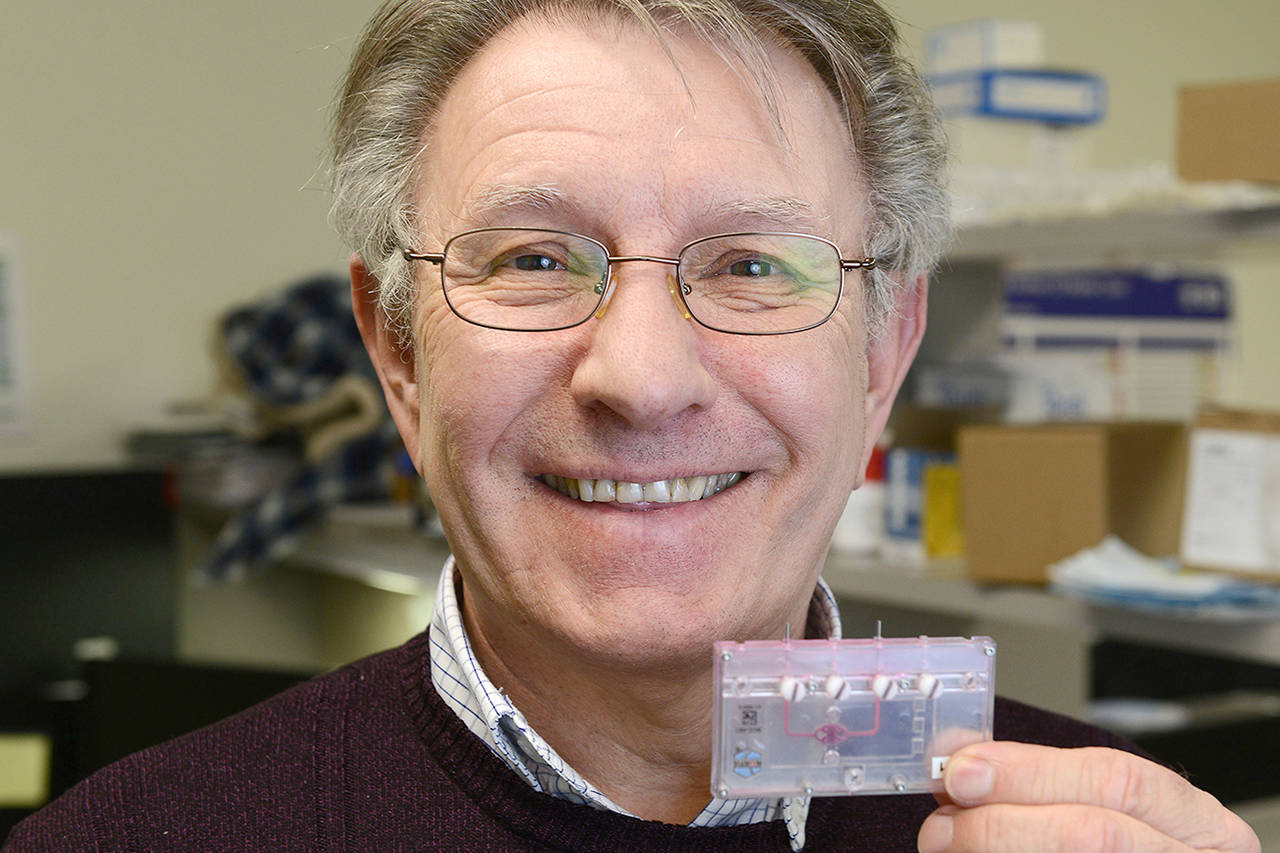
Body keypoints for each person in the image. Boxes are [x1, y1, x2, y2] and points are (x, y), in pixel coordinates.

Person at [7, 1, 1260, 851]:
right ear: (394, 344)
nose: (642, 378)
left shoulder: (1107, 823)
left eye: (754, 267)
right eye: (537, 258)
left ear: (882, 345)